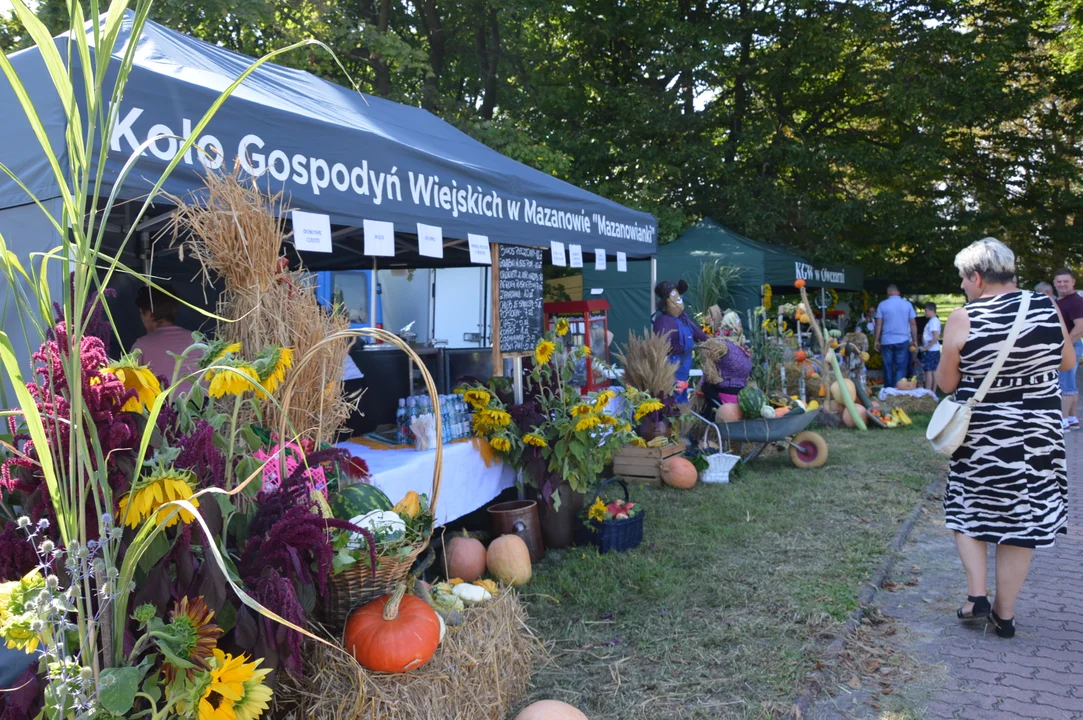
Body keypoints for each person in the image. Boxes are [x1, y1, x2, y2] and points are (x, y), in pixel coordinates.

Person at [936, 237, 1073, 639]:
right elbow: (1067, 361)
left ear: (977, 278)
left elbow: (947, 383)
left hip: (985, 434)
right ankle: (1005, 616)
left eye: (963, 279)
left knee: (968, 506)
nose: (962, 286)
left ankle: (976, 596)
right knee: (1023, 520)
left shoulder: (964, 317)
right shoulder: (1045, 306)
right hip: (1039, 433)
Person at [132, 285, 201, 393]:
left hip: (160, 408)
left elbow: (130, 386)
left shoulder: (141, 346)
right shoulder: (196, 341)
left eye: (142, 314)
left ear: (149, 314)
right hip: (199, 407)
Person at [652, 280, 708, 402]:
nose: (678, 299)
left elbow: (699, 335)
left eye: (678, 295)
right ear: (666, 301)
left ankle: (683, 417)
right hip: (672, 368)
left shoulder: (684, 319)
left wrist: (713, 343)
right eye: (674, 296)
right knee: (673, 399)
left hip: (684, 366)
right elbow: (660, 349)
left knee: (682, 396)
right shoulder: (663, 322)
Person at [698, 310, 752, 408]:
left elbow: (709, 368)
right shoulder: (744, 349)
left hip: (724, 394)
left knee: (706, 386)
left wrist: (701, 384)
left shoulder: (722, 344)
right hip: (741, 395)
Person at [1053, 268, 1083, 430]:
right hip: (1071, 346)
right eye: (1059, 281)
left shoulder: (1075, 301)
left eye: (1066, 281)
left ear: (1073, 282)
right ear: (1054, 283)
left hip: (1070, 346)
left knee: (1065, 385)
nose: (1062, 284)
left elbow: (1080, 327)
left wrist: (1065, 346)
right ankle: (1072, 418)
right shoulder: (1062, 300)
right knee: (1070, 384)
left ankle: (1063, 420)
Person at [873, 285, 918, 389]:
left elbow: (878, 324)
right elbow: (913, 324)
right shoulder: (907, 305)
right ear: (898, 292)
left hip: (886, 340)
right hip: (903, 340)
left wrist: (876, 340)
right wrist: (915, 340)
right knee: (901, 367)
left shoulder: (882, 305)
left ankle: (888, 390)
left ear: (888, 293)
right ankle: (898, 390)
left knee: (888, 366)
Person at [920, 302, 941, 391]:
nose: (925, 313)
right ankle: (933, 391)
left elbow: (935, 337)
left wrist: (926, 348)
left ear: (931, 310)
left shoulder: (933, 321)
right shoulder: (934, 320)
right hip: (934, 350)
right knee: (934, 371)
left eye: (926, 311)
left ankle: (929, 391)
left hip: (931, 350)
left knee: (929, 371)